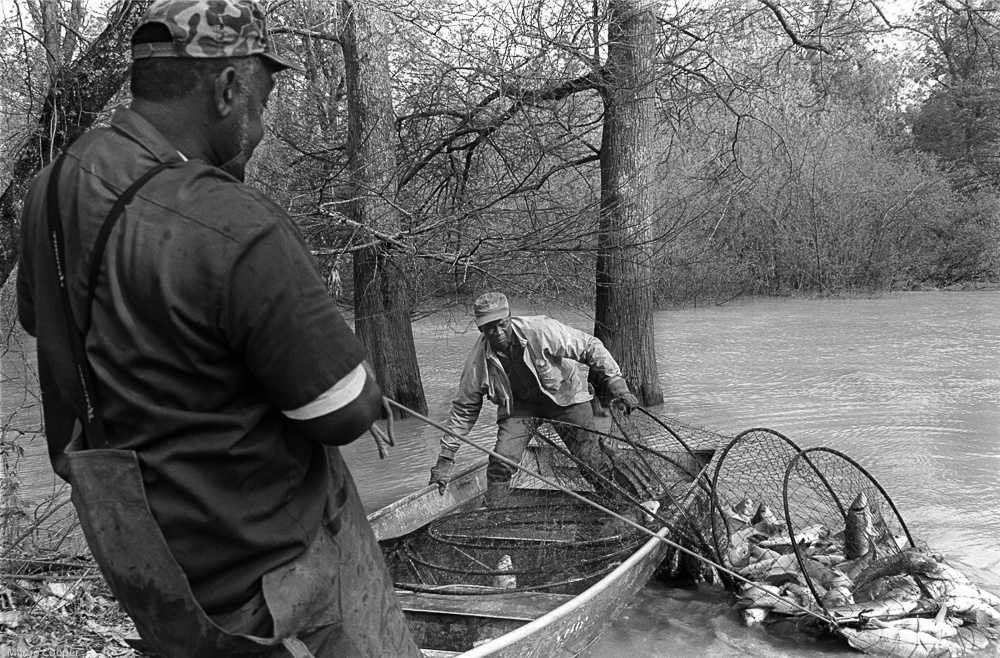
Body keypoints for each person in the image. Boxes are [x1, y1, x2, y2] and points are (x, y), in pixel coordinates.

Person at [16, 1, 419, 656]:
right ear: (229, 89)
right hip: (270, 586)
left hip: (148, 566)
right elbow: (343, 411)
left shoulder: (52, 190)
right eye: (262, 99)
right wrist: (364, 383)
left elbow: (44, 318)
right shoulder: (233, 222)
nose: (259, 126)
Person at [428, 292, 641, 506]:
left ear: (510, 317)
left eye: (501, 324)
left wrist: (616, 383)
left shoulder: (540, 330)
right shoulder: (477, 362)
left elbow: (590, 346)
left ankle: (620, 503)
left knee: (589, 458)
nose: (497, 332)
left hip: (564, 395)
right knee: (501, 461)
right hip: (521, 406)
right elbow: (464, 409)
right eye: (489, 327)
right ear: (480, 328)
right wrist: (446, 457)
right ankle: (495, 513)